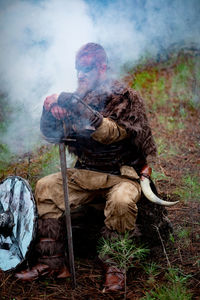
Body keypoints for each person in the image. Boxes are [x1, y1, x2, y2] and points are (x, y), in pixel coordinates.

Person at [15, 43, 157, 292]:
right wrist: (51, 111)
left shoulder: (126, 99)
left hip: (121, 175)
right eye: (78, 69)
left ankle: (115, 266)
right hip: (86, 173)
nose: (81, 74)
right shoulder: (79, 98)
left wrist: (71, 102)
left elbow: (110, 133)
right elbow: (52, 135)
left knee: (122, 201)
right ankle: (52, 263)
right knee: (46, 187)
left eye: (87, 69)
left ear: (102, 67)